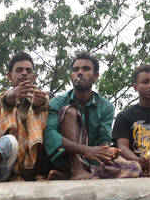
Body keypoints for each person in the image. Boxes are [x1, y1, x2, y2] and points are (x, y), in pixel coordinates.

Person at [44, 51, 139, 180]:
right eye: (75, 69)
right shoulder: (57, 102)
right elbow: (50, 135)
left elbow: (102, 140)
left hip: (92, 162)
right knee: (70, 111)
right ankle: (75, 170)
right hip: (62, 158)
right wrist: (85, 150)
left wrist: (107, 151)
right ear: (71, 75)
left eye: (86, 69)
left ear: (96, 76)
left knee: (134, 168)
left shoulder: (106, 107)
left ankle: (76, 174)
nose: (79, 72)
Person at [0, 52, 52, 180]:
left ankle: (38, 172)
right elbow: (0, 103)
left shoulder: (42, 96)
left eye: (28, 71)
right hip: (12, 156)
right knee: (6, 111)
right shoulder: (2, 96)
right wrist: (11, 99)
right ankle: (15, 173)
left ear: (33, 77)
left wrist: (37, 105)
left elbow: (46, 104)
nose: (24, 73)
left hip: (37, 157)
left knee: (41, 114)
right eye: (19, 70)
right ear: (9, 76)